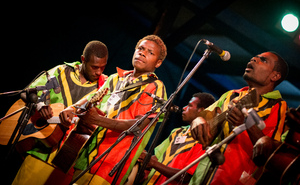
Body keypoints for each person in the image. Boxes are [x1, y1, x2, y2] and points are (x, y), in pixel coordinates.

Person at [59, 35, 168, 185]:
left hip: (111, 163)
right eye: (140, 48)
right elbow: (92, 98)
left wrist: (98, 120)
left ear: (158, 62)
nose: (142, 53)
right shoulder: (115, 78)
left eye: (150, 52)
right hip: (86, 153)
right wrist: (72, 109)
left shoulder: (155, 87)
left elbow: (139, 125)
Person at [11, 40, 109, 185]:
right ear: (83, 59)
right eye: (94, 67)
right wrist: (40, 106)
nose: (99, 72)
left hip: (69, 158)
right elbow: (27, 92)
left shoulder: (104, 86)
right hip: (41, 150)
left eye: (103, 67)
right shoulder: (61, 71)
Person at [190, 52, 289, 184]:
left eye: (263, 60)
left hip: (233, 179)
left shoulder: (277, 106)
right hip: (201, 175)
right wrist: (198, 120)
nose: (254, 58)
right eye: (255, 57)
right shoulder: (232, 95)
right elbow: (204, 117)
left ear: (275, 76)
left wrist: (246, 123)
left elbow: (269, 150)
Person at [137, 92, 215, 185]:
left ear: (201, 110)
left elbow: (186, 176)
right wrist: (140, 156)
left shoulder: (204, 139)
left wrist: (152, 163)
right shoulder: (177, 132)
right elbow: (157, 158)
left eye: (190, 105)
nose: (184, 108)